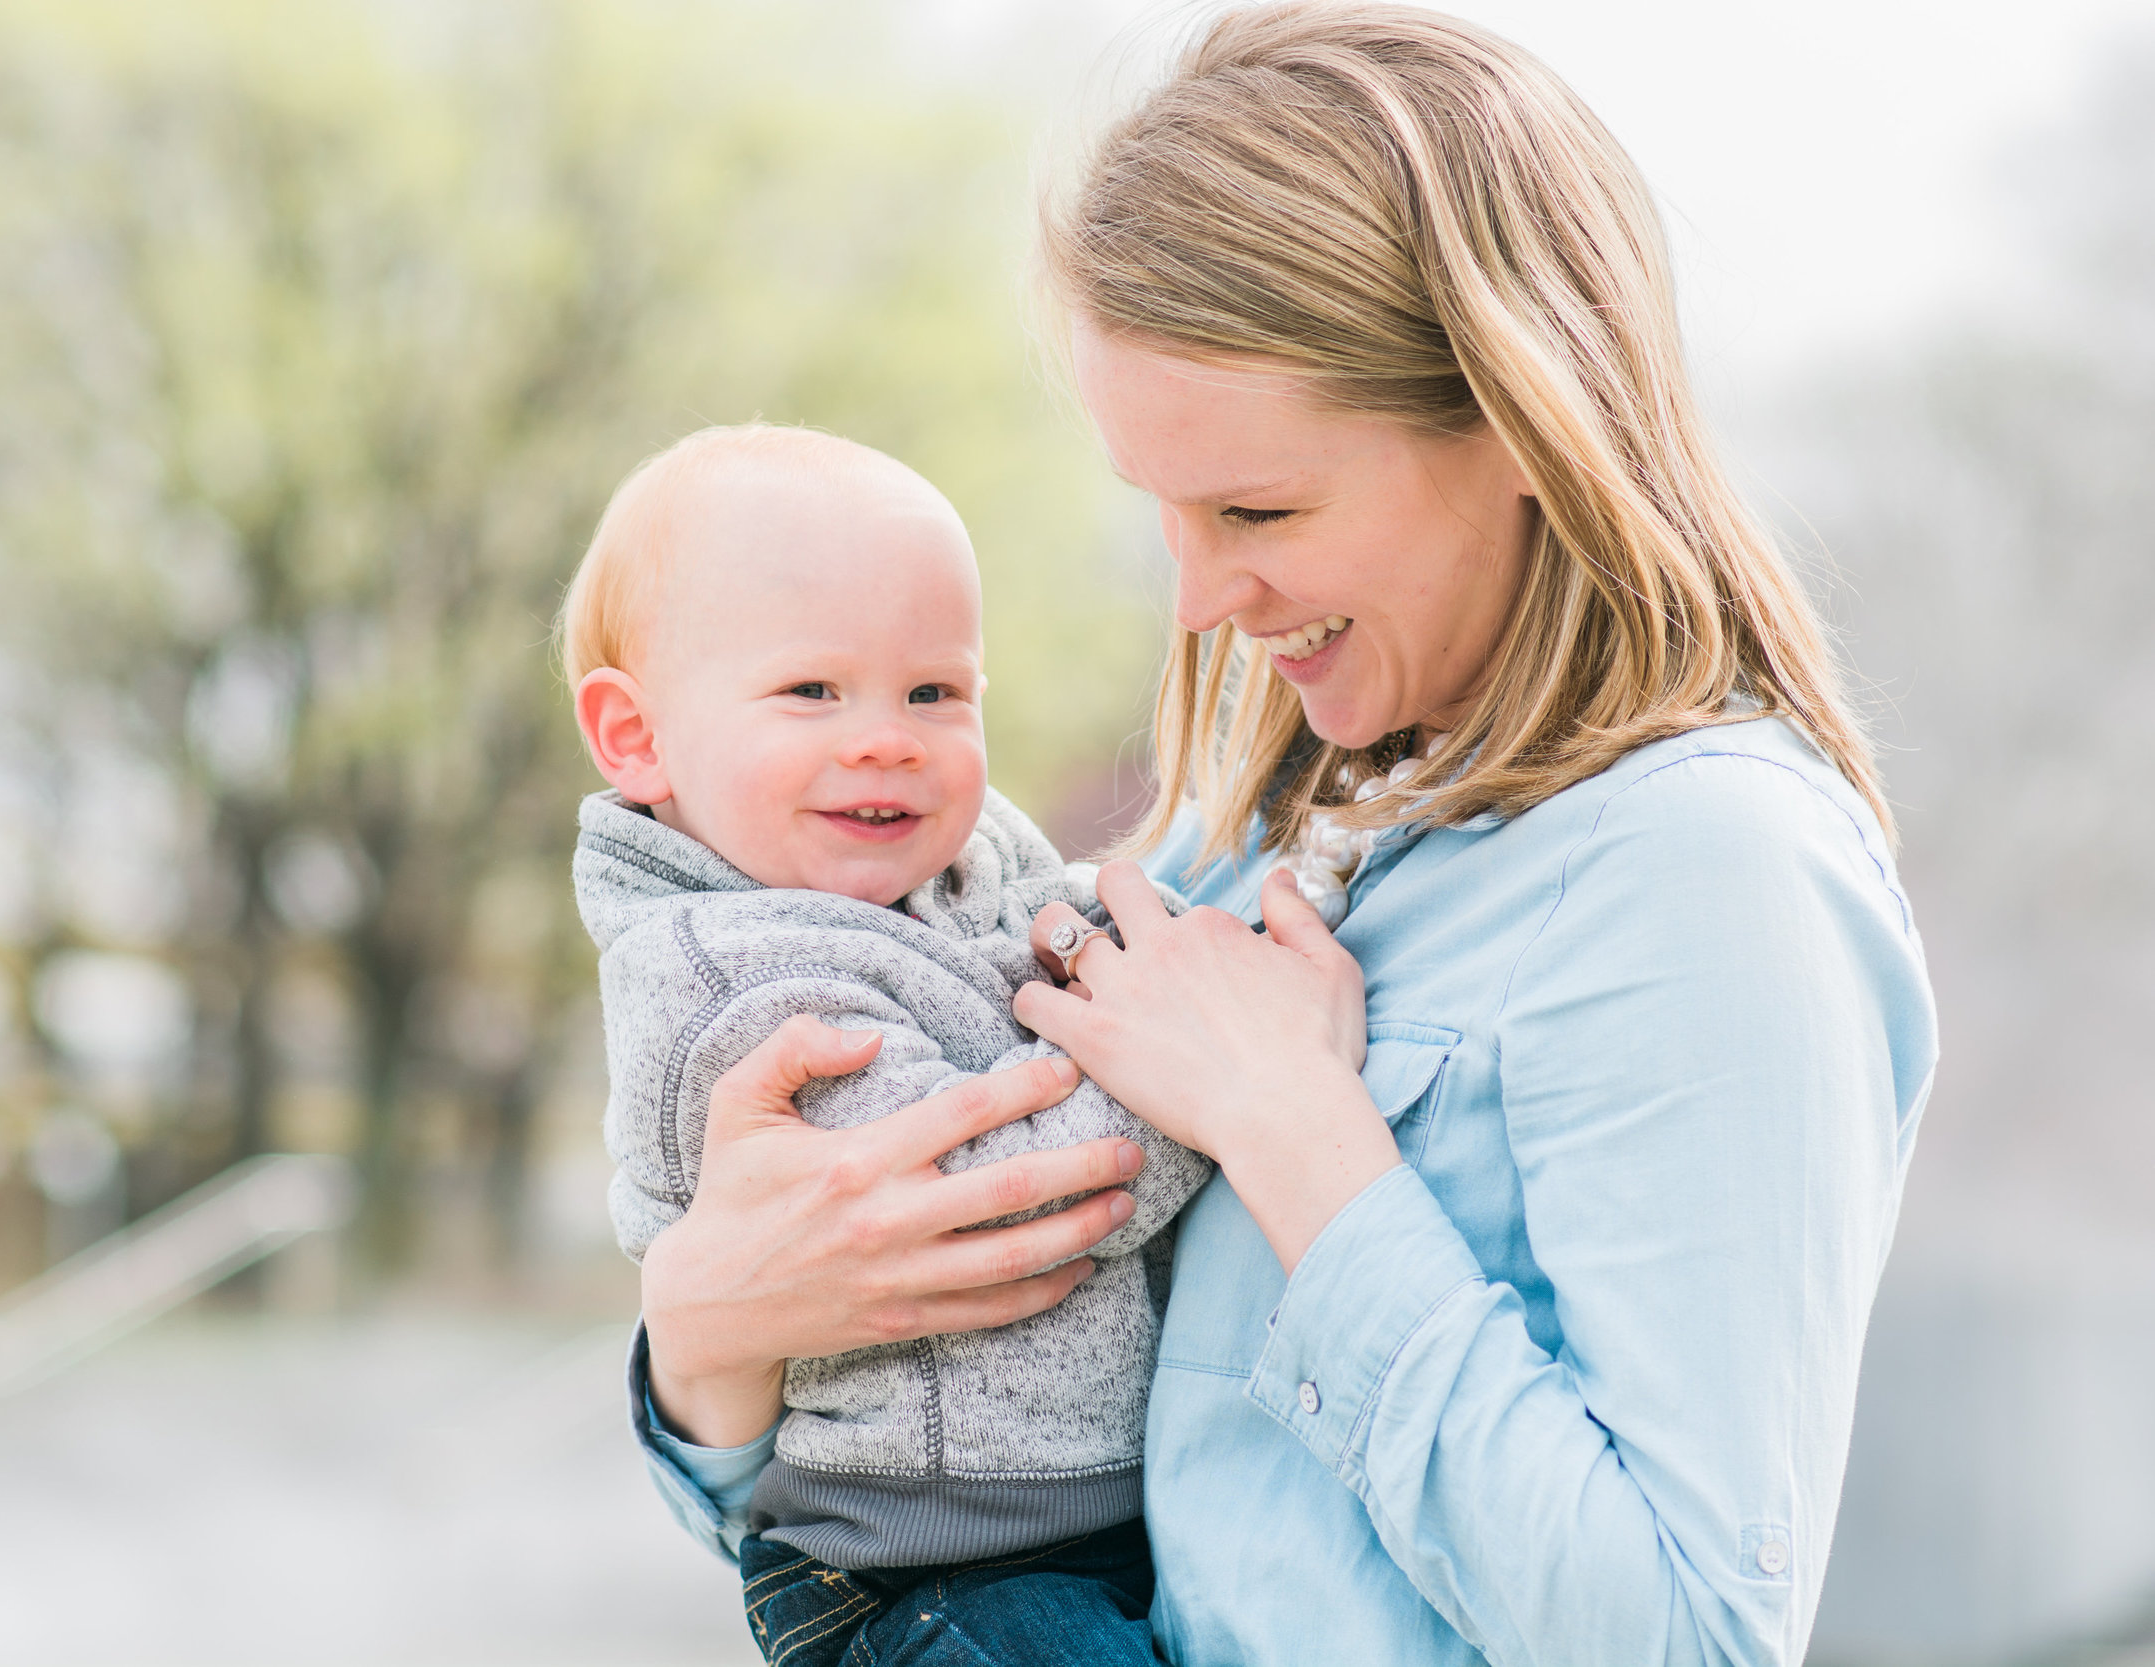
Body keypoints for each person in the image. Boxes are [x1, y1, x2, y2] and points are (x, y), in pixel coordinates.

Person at [625, 6, 1940, 1665]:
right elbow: (879, 1516)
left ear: (1525, 421)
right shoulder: (1245, 849)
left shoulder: (1711, 878)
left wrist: (1299, 1135)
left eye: (1258, 510)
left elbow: (1683, 1634)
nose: (1197, 598)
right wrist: (714, 1328)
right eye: (1160, 510)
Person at [564, 422, 1210, 1665]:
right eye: (812, 689)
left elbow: (1081, 929)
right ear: (637, 738)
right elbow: (988, 1203)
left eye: (934, 691)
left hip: (1056, 1522)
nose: (887, 736)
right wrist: (1213, 1069)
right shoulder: (734, 979)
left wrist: (1163, 941)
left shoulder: (952, 871)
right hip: (932, 1570)